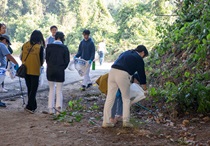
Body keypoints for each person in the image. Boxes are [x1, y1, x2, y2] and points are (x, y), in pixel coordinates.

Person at [102, 45, 148, 128]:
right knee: (126, 98)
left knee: (110, 98)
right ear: (143, 53)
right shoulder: (138, 58)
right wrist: (144, 87)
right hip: (123, 74)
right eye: (144, 56)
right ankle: (126, 121)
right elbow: (142, 74)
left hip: (112, 72)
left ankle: (106, 122)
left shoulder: (126, 53)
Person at [46, 31, 70, 114]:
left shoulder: (49, 47)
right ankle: (58, 109)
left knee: (51, 89)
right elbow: (67, 61)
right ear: (62, 38)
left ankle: (50, 109)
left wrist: (50, 66)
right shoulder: (64, 48)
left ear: (55, 37)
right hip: (60, 70)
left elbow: (47, 59)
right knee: (59, 90)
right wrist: (62, 68)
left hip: (50, 70)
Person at [21, 30, 44, 113]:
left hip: (26, 69)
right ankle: (30, 106)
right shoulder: (39, 47)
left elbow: (21, 56)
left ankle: (33, 106)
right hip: (35, 70)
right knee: (33, 89)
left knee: (29, 88)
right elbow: (42, 61)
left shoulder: (25, 45)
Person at [0, 34, 19, 107]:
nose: (7, 44)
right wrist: (16, 63)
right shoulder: (2, 45)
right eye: (7, 43)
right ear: (4, 40)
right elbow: (9, 55)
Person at [0, 23, 13, 93]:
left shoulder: (4, 37)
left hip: (3, 60)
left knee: (2, 74)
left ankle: (2, 87)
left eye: (5, 28)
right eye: (3, 28)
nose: (4, 30)